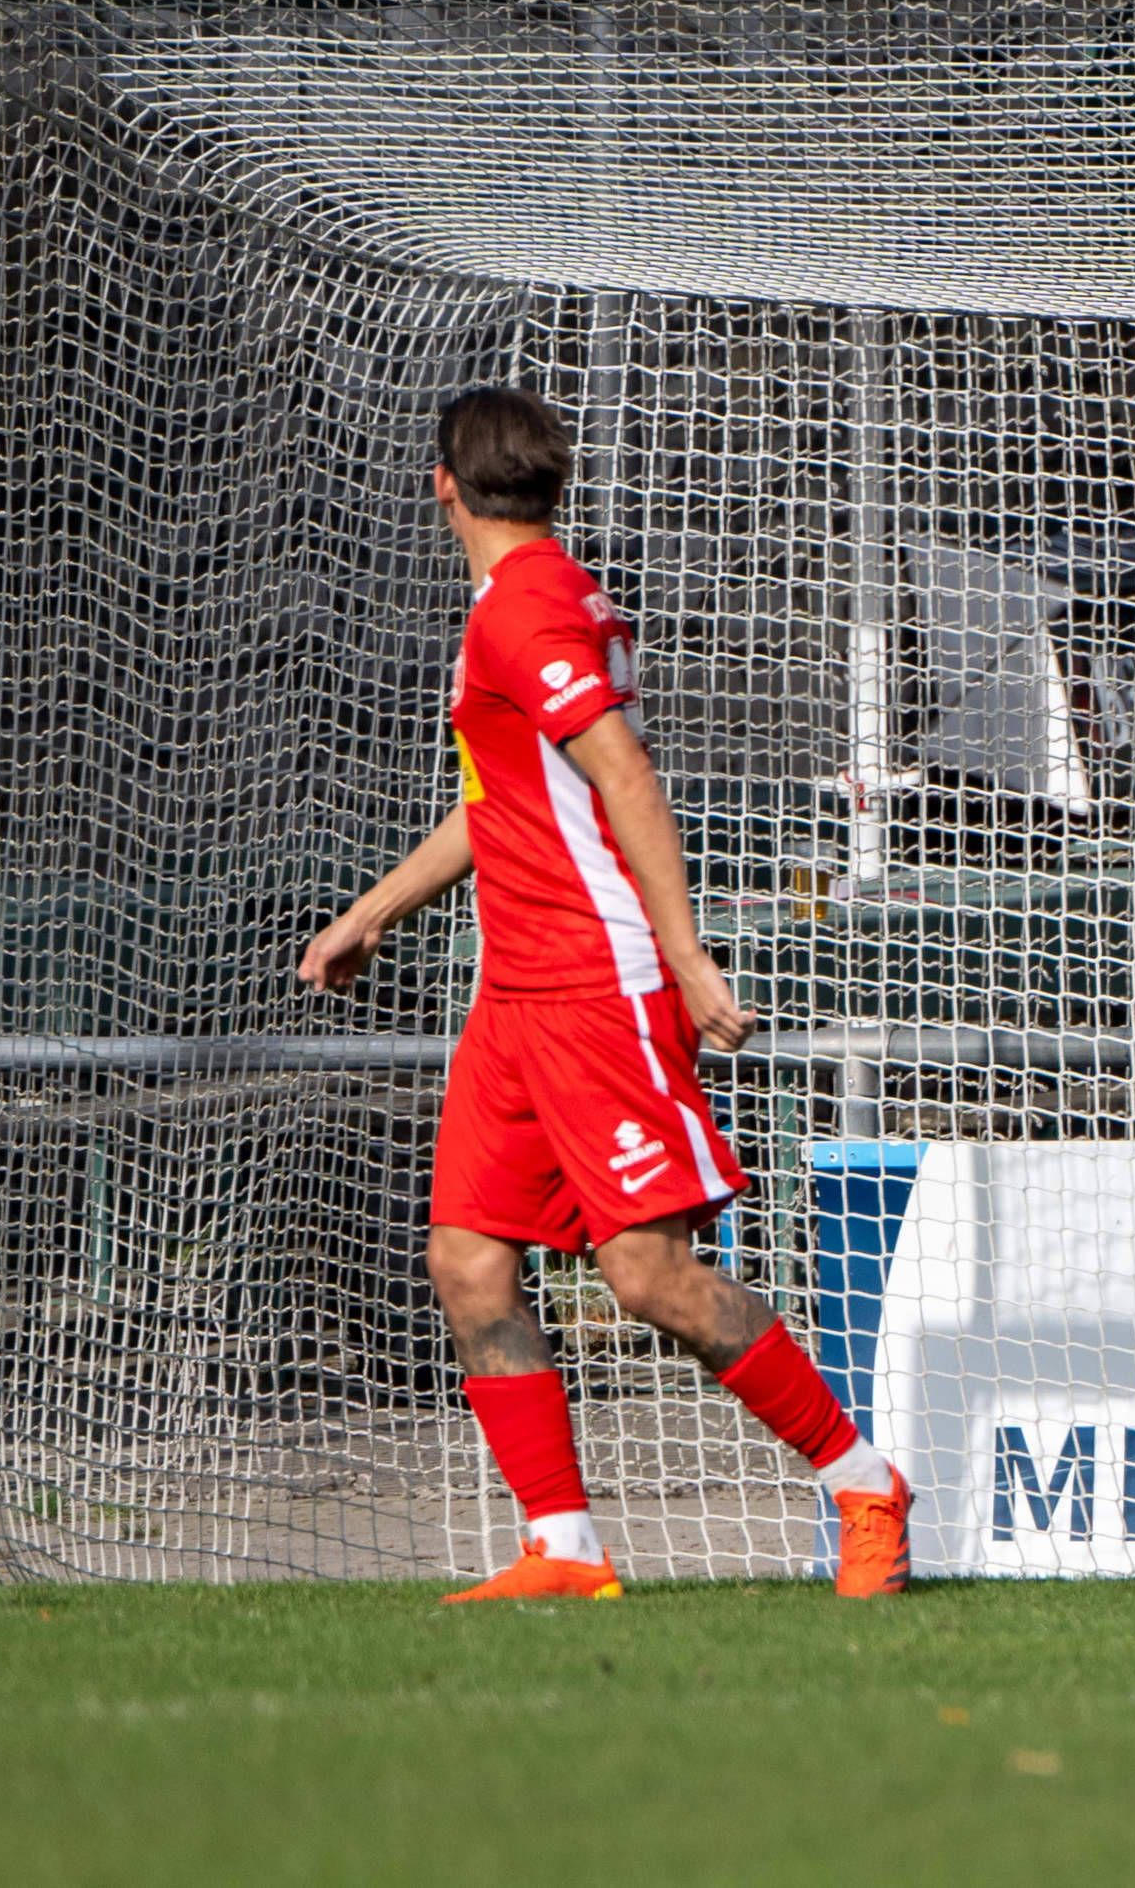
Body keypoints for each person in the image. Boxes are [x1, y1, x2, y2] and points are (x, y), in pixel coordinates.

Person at [300, 387, 913, 1602]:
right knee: (470, 1259)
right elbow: (508, 802)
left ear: (442, 486)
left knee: (646, 1275)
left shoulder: (523, 616)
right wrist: (372, 911)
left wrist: (685, 956)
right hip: (516, 997)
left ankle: (864, 1482)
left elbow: (624, 772)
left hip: (598, 985)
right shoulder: (544, 598)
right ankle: (565, 1546)